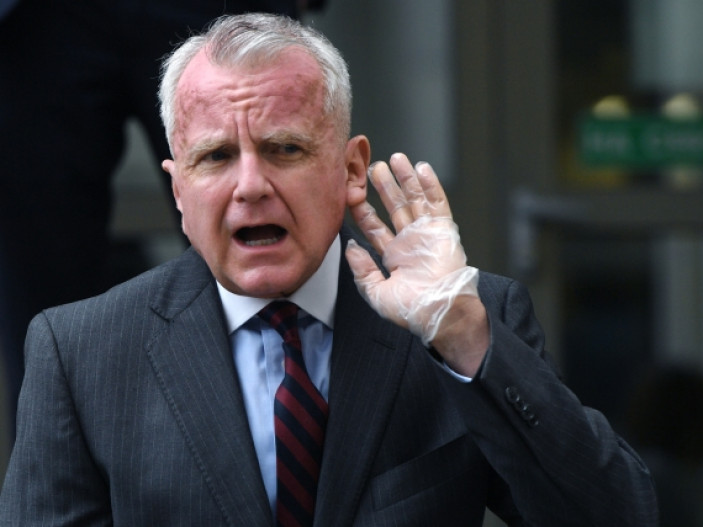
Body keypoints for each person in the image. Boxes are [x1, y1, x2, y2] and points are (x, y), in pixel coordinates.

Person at [0, 13, 658, 526]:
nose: (250, 185)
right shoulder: (80, 352)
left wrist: (462, 334)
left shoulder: (469, 318)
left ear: (350, 169)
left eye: (284, 149)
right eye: (217, 157)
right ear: (177, 188)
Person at [0, 0, 324, 446]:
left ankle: (296, 468)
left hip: (218, 7)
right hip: (34, 21)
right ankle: (59, 484)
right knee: (40, 307)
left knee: (269, 265)